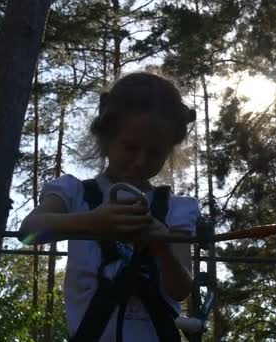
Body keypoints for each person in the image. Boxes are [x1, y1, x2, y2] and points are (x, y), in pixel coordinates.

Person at [18, 72, 199, 342]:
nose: (140, 161)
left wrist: (162, 248)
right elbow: (29, 231)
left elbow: (180, 290)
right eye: (130, 147)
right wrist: (92, 222)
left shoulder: (178, 209)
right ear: (105, 138)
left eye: (155, 153)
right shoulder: (73, 193)